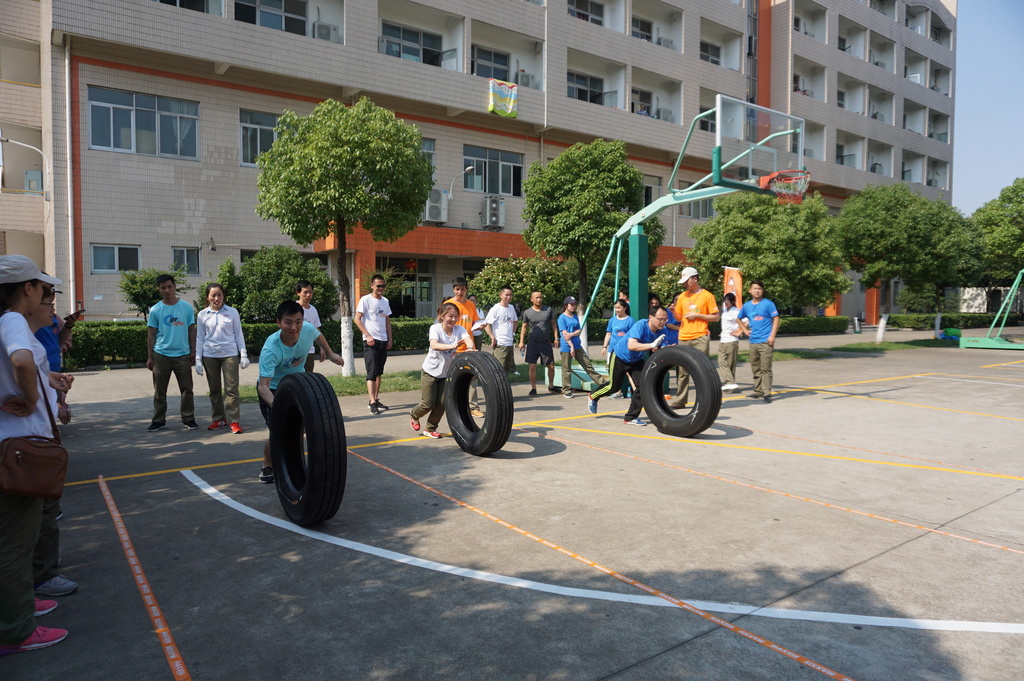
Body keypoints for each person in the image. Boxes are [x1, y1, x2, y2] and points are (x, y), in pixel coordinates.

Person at [0, 255, 69, 656]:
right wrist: (29, 399)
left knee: (15, 540)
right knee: (15, 543)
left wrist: (44, 381)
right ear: (26, 288)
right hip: (20, 451)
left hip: (13, 448)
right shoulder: (11, 319)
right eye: (42, 287)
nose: (45, 295)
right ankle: (16, 629)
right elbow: (21, 360)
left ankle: (18, 607)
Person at [24, 286, 78, 601]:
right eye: (47, 301)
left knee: (44, 511)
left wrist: (51, 387)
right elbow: (21, 366)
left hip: (38, 435)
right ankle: (36, 583)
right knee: (37, 513)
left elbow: (32, 372)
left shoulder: (31, 335)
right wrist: (33, 397)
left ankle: (37, 577)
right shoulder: (14, 328)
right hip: (26, 442)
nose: (52, 309)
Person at [257, 300, 344, 483]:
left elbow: (318, 335)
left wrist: (330, 353)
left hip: (297, 383)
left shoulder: (307, 329)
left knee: (299, 427)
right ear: (278, 323)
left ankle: (289, 461)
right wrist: (277, 405)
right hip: (274, 389)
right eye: (288, 322)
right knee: (278, 431)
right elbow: (263, 386)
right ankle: (267, 466)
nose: (294, 328)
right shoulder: (271, 348)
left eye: (298, 322)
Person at [588, 305, 668, 426]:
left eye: (665, 319)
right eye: (660, 319)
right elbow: (631, 345)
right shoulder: (640, 325)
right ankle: (593, 396)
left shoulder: (662, 330)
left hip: (636, 360)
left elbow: (659, 347)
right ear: (651, 317)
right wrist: (652, 345)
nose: (663, 322)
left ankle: (630, 417)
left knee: (643, 386)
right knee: (614, 387)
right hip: (620, 356)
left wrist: (665, 348)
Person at [410, 302, 474, 439]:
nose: (453, 319)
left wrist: (470, 347)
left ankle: (430, 428)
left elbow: (468, 338)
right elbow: (434, 345)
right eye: (450, 316)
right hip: (430, 372)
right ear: (442, 316)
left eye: (456, 316)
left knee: (442, 404)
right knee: (428, 404)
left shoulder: (459, 329)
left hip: (446, 373)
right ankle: (414, 415)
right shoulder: (435, 328)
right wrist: (452, 346)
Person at [146, 274, 198, 431]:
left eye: (169, 286)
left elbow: (191, 330)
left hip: (182, 355)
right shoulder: (155, 310)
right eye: (163, 288)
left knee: (187, 390)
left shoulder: (186, 308)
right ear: (159, 289)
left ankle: (188, 418)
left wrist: (193, 351)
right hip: (161, 355)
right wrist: (150, 357)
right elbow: (151, 334)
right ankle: (158, 420)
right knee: (159, 392)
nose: (167, 290)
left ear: (174, 287)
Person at [195, 283, 249, 434]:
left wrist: (243, 354)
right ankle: (219, 419)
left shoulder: (232, 312)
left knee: (231, 389)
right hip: (210, 355)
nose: (216, 298)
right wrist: (198, 359)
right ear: (208, 297)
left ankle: (234, 421)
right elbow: (200, 338)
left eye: (219, 295)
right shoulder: (202, 315)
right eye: (213, 295)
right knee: (214, 389)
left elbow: (238, 334)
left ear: (223, 296)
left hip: (229, 354)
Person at [670, 267, 719, 409]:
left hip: (700, 337)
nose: (685, 284)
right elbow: (679, 317)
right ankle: (680, 400)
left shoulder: (707, 296)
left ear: (695, 279)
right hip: (684, 336)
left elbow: (716, 317)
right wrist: (673, 312)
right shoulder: (682, 296)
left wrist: (697, 315)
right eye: (684, 282)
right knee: (682, 370)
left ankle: (705, 400)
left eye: (687, 281)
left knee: (702, 370)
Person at [354, 274, 393, 415]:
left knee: (379, 373)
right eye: (378, 286)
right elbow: (357, 319)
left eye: (383, 286)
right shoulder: (365, 300)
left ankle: (376, 398)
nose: (381, 288)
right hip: (371, 342)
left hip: (383, 340)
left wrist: (390, 339)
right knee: (371, 373)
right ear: (372, 286)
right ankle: (372, 402)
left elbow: (387, 322)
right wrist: (368, 335)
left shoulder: (385, 301)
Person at [736, 280, 780, 402]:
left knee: (765, 368)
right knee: (755, 368)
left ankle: (767, 393)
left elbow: (776, 319)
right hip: (753, 341)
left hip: (765, 341)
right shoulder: (747, 306)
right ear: (750, 290)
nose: (757, 291)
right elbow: (738, 319)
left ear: (762, 290)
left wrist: (772, 336)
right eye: (755, 288)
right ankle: (758, 391)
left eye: (759, 288)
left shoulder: (768, 304)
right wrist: (744, 330)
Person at [445, 278, 483, 415]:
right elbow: (443, 325)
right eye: (457, 289)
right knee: (452, 378)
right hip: (452, 348)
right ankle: (452, 406)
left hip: (468, 347)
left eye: (462, 289)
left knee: (471, 377)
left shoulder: (470, 305)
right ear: (453, 289)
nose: (459, 292)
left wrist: (481, 325)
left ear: (466, 289)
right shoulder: (448, 304)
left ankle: (473, 407)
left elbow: (475, 322)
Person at [558, 296, 606, 398]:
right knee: (566, 369)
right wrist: (571, 346)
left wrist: (572, 334)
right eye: (571, 304)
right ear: (565, 305)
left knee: (588, 365)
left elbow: (579, 331)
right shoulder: (561, 318)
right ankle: (566, 390)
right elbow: (565, 335)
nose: (573, 306)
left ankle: (603, 384)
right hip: (567, 347)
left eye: (574, 304)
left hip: (577, 346)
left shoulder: (575, 317)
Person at [518, 290, 559, 396]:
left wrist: (556, 338)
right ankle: (533, 388)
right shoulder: (527, 312)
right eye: (536, 297)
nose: (539, 299)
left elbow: (554, 324)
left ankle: (551, 386)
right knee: (532, 366)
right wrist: (521, 341)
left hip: (545, 342)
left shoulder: (548, 310)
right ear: (531, 299)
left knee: (550, 366)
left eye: (540, 297)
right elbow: (524, 327)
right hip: (533, 342)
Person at [483, 285, 518, 377]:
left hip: (509, 343)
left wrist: (513, 333)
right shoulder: (496, 308)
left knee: (507, 369)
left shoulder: (511, 307)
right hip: (500, 343)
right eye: (506, 295)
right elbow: (486, 324)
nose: (509, 297)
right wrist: (492, 337)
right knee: (498, 369)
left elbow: (515, 321)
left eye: (510, 295)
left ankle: (505, 385)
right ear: (500, 295)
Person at [602, 299, 633, 399]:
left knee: (628, 372)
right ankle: (618, 392)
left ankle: (634, 390)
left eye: (619, 308)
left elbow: (632, 336)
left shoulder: (630, 320)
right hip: (612, 350)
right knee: (613, 371)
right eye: (616, 308)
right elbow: (608, 334)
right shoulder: (612, 320)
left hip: (624, 351)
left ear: (625, 308)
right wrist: (604, 346)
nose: (617, 310)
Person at [295, 280, 322, 373]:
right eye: (305, 292)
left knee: (308, 377)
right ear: (298, 293)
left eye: (310, 292)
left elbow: (316, 330)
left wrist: (322, 347)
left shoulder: (313, 310)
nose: (308, 295)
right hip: (294, 351)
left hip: (309, 351)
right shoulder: (293, 308)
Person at [718, 292, 741, 392]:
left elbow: (746, 321)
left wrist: (738, 331)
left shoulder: (736, 311)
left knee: (731, 364)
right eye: (725, 300)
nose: (726, 302)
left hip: (732, 340)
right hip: (723, 340)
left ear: (733, 301)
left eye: (728, 300)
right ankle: (731, 382)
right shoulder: (724, 311)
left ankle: (730, 385)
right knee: (721, 361)